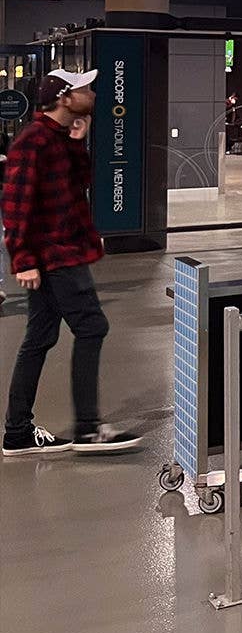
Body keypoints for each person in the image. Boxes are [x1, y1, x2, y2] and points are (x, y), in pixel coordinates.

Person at [3, 69, 142, 456]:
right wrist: (23, 259)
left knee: (40, 337)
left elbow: (79, 185)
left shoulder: (58, 139)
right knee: (92, 326)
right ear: (65, 98)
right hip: (54, 254)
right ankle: (88, 429)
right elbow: (16, 206)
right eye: (85, 89)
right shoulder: (33, 142)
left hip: (60, 252)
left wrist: (77, 142)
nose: (94, 94)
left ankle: (17, 432)